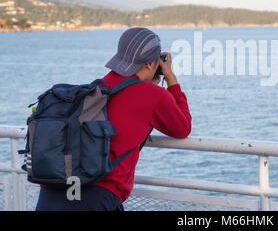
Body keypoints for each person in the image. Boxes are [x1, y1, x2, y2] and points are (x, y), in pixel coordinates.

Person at [35, 27, 192, 211]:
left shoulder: (100, 86)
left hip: (52, 193)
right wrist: (171, 78)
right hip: (95, 199)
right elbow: (183, 127)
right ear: (151, 64)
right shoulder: (153, 95)